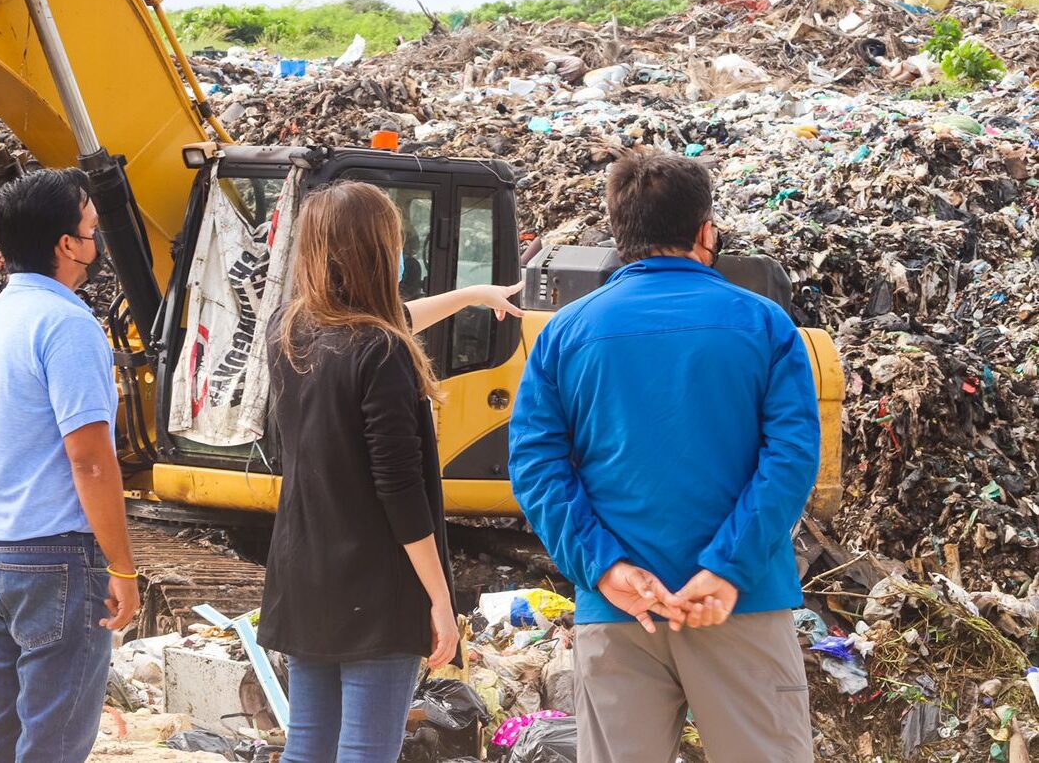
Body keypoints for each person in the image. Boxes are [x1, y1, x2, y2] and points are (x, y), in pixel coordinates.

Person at [509, 152, 821, 763]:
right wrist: (726, 570)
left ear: (617, 234)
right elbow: (790, 458)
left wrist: (603, 567)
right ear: (706, 231)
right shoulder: (765, 325)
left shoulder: (565, 333)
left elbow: (536, 465)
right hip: (741, 606)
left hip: (621, 609)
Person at [257, 180, 522, 763]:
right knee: (367, 750)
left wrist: (470, 294)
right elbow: (400, 492)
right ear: (378, 251)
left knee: (309, 745)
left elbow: (395, 317)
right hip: (376, 585)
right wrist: (440, 599)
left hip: (304, 577)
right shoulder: (382, 351)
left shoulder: (290, 331)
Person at [0, 168, 140, 763]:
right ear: (66, 245)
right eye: (91, 230)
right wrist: (122, 565)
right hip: (57, 556)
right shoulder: (67, 324)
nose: (96, 243)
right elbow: (91, 460)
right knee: (55, 738)